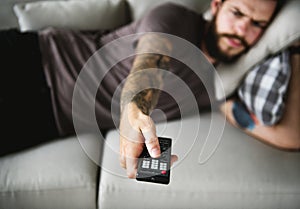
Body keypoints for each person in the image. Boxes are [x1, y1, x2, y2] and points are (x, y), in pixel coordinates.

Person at [0, 0, 293, 177]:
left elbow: (291, 134)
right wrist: (135, 111)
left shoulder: (219, 90)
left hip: (49, 117)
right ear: (217, 6)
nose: (242, 30)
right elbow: (151, 62)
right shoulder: (176, 20)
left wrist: (294, 46)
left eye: (258, 24)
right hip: (34, 61)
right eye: (238, 13)